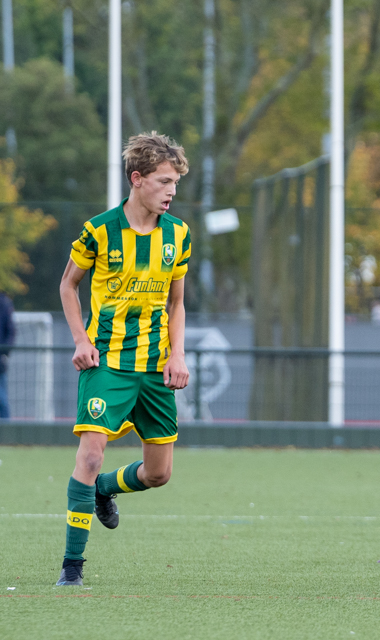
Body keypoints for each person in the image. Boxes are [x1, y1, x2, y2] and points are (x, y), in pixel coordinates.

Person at [56, 132, 191, 586]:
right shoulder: (100, 230)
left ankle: (103, 491)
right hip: (107, 364)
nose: (172, 190)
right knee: (90, 456)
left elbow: (177, 303)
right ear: (138, 179)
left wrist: (177, 355)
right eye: (164, 181)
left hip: (155, 369)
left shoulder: (178, 236)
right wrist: (80, 339)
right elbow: (68, 285)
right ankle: (72, 568)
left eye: (175, 182)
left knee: (158, 474)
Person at [0, 291, 14, 419]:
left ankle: (5, 435)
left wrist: (4, 352)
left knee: (2, 400)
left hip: (0, 363)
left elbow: (11, 332)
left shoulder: (4, 303)